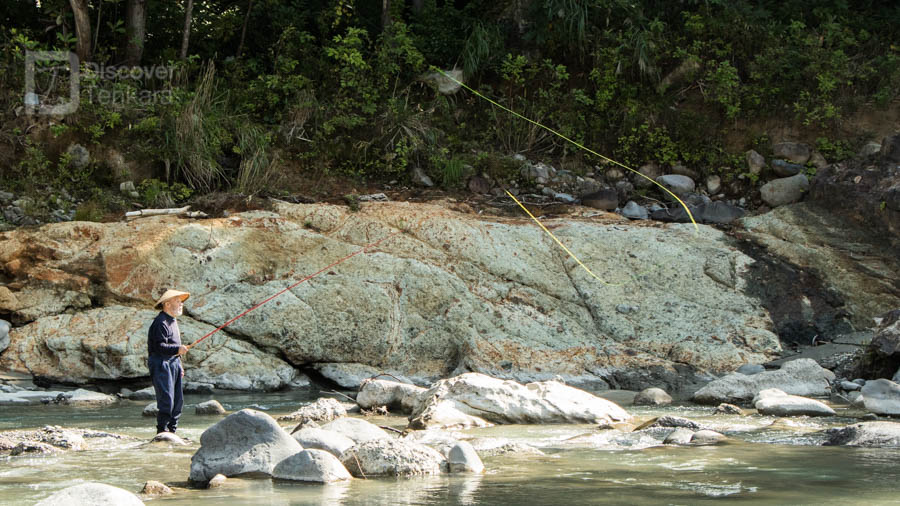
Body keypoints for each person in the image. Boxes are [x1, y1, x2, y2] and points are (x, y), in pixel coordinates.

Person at [147, 289, 190, 434]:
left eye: (180, 301)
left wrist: (180, 365)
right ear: (167, 304)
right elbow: (159, 347)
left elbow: (174, 345)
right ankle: (162, 432)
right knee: (167, 401)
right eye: (177, 301)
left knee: (178, 401)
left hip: (174, 363)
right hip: (160, 363)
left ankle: (172, 432)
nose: (180, 304)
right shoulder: (160, 322)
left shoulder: (173, 321)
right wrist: (178, 349)